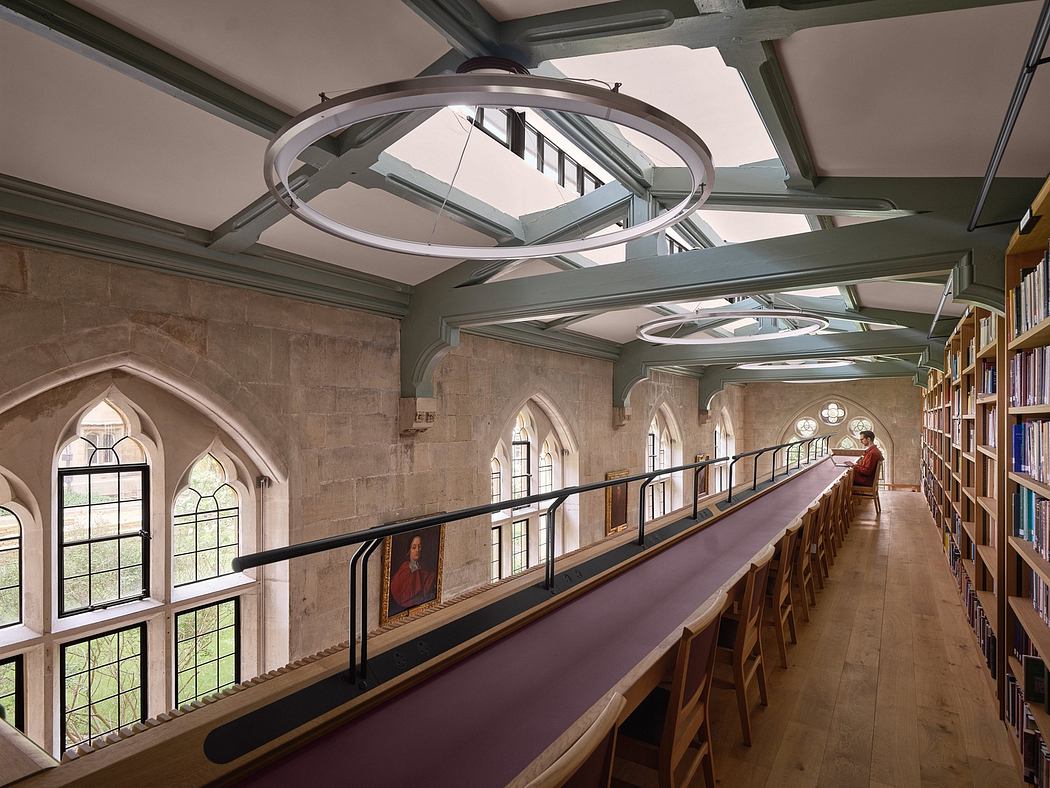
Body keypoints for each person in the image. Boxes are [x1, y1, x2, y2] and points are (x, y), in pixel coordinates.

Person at [389, 534, 437, 611]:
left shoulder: (427, 570)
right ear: (409, 550)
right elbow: (399, 594)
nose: (417, 550)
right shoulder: (404, 569)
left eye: (419, 547)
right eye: (414, 547)